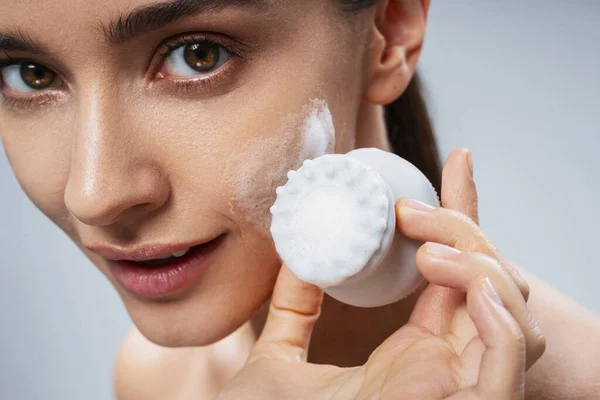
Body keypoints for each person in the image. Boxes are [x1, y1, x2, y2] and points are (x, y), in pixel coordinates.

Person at [0, 0, 597, 398]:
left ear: (389, 33)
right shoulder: (162, 379)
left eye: (197, 54)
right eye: (29, 73)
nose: (94, 194)